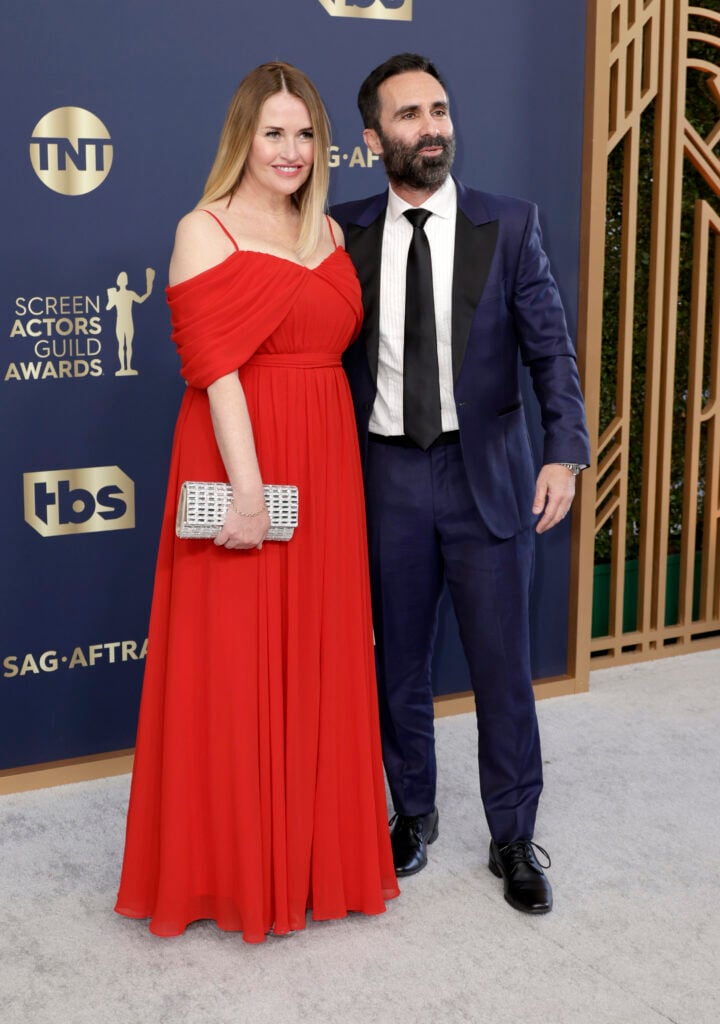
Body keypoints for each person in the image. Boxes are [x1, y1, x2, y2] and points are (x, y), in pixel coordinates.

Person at [115, 61, 399, 942]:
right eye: (274, 132)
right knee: (233, 660)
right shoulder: (204, 228)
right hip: (245, 453)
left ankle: (313, 861)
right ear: (243, 135)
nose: (291, 150)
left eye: (306, 133)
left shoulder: (328, 234)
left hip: (327, 459)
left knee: (318, 655)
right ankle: (231, 870)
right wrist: (245, 489)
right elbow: (216, 368)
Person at [332, 53, 590, 914]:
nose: (431, 127)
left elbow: (550, 349)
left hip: (490, 476)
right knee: (397, 665)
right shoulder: (341, 232)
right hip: (388, 476)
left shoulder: (510, 225)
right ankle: (411, 814)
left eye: (438, 110)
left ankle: (513, 834)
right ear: (374, 138)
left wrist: (564, 452)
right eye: (408, 116)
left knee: (503, 670)